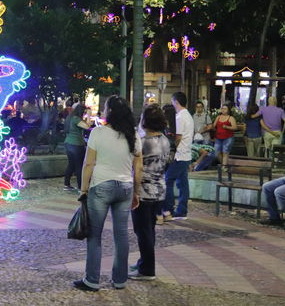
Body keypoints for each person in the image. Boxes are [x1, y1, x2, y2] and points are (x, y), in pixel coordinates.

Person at [73, 95, 142, 292]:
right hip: (126, 188)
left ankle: (92, 280)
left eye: (104, 108)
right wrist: (136, 192)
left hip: (101, 186)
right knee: (121, 235)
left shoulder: (98, 133)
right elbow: (138, 168)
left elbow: (88, 164)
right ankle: (120, 280)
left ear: (109, 112)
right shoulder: (134, 135)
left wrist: (84, 190)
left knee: (95, 235)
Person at [130, 104, 169, 281]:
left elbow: (137, 169)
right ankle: (144, 262)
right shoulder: (165, 140)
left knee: (142, 231)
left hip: (144, 191)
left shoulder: (143, 142)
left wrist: (134, 193)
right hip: (160, 190)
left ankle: (147, 269)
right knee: (150, 229)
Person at [162, 92, 194, 221]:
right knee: (182, 183)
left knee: (168, 181)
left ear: (176, 102)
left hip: (179, 155)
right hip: (186, 154)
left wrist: (172, 150)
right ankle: (182, 210)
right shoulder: (188, 116)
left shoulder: (180, 117)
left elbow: (178, 137)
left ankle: (169, 209)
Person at [63, 105, 91, 191]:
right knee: (79, 166)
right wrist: (89, 116)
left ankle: (67, 184)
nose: (85, 114)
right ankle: (80, 187)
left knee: (71, 164)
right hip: (76, 144)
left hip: (68, 143)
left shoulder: (70, 117)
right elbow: (87, 126)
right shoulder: (76, 119)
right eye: (84, 112)